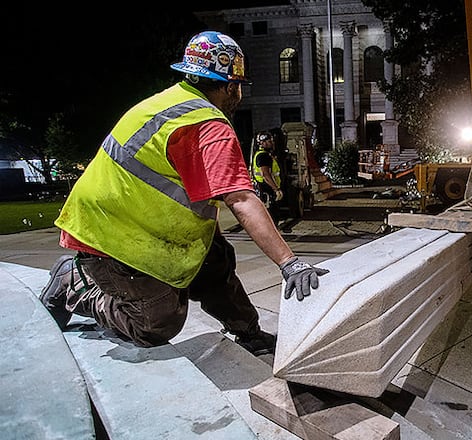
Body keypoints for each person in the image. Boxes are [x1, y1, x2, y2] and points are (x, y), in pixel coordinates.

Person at [38, 31, 329, 356]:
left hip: (131, 221)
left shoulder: (171, 101)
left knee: (214, 257)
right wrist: (289, 263)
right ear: (231, 86)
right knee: (157, 324)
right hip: (108, 241)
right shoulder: (208, 126)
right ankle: (72, 285)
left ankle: (248, 332)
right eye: (239, 87)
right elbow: (242, 200)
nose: (239, 95)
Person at [252, 131, 284, 225]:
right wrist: (276, 189)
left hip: (263, 189)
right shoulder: (263, 156)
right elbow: (266, 175)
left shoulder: (261, 154)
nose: (272, 143)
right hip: (267, 190)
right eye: (270, 141)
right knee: (272, 217)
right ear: (263, 143)